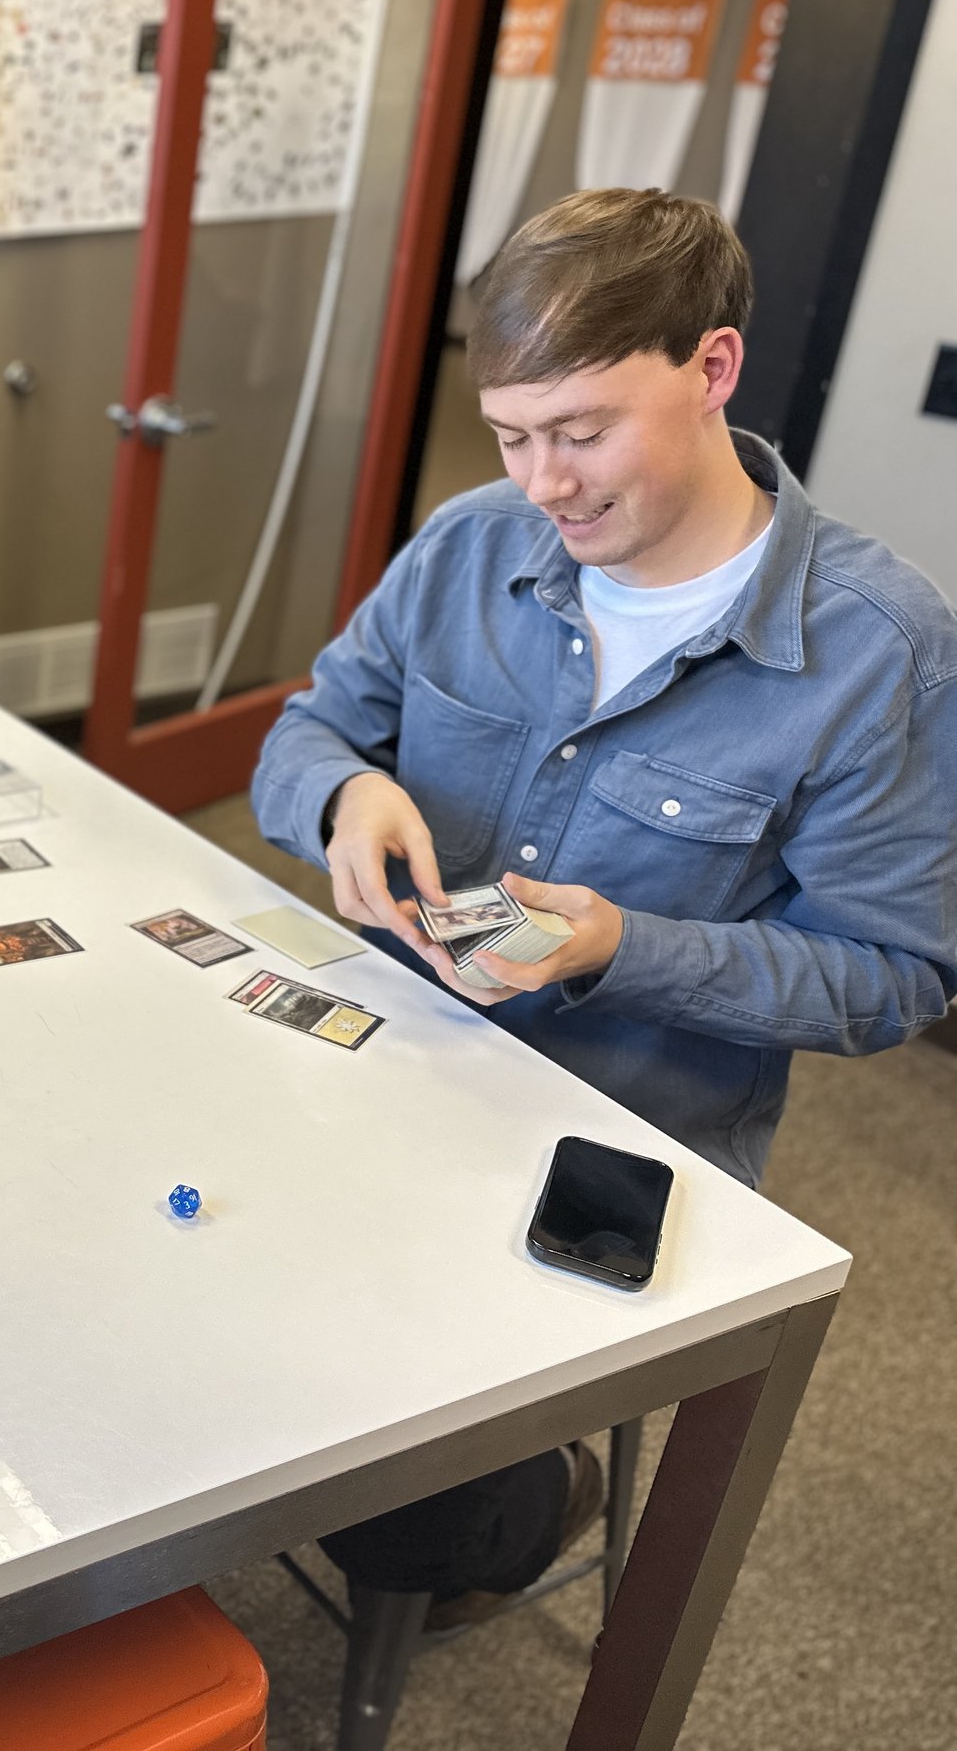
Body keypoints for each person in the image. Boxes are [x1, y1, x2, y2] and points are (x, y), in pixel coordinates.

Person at [252, 188, 957, 1624]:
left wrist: (628, 947)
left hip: (611, 1139)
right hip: (374, 1064)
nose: (545, 482)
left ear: (713, 367)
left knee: (415, 1510)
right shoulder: (467, 541)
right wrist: (343, 795)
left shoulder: (880, 650)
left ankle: (537, 1489)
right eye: (513, 436)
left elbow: (895, 978)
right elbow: (306, 730)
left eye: (580, 430)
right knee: (168, 1298)